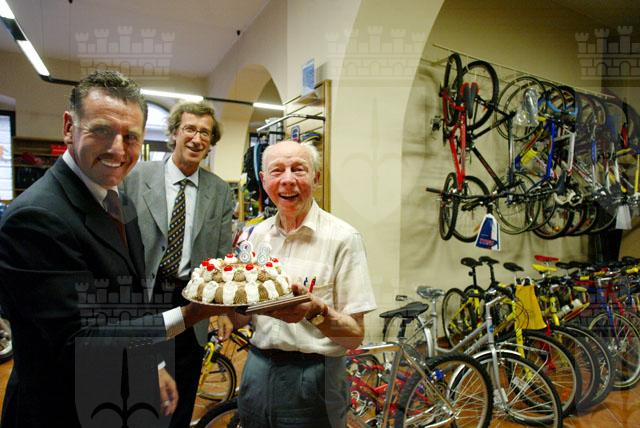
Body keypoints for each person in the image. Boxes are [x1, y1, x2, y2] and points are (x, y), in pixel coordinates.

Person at [0, 70, 227, 428]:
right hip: (60, 412)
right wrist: (188, 315)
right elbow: (77, 344)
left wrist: (152, 364)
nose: (118, 149)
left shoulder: (117, 200)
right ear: (69, 127)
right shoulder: (36, 218)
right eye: (103, 130)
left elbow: (126, 302)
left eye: (130, 136)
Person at [219, 140, 377, 428]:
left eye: (299, 169)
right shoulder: (254, 237)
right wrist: (224, 302)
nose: (288, 179)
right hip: (257, 369)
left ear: (316, 177)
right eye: (277, 170)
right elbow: (241, 317)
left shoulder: (343, 239)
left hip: (316, 375)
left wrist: (316, 312)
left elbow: (354, 336)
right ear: (264, 180)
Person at [122, 100, 234, 428]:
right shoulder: (135, 177)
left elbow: (221, 256)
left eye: (205, 133)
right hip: (144, 297)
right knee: (140, 390)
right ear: (174, 133)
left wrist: (222, 309)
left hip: (191, 301)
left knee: (182, 394)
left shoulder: (219, 191)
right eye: (190, 129)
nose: (197, 139)